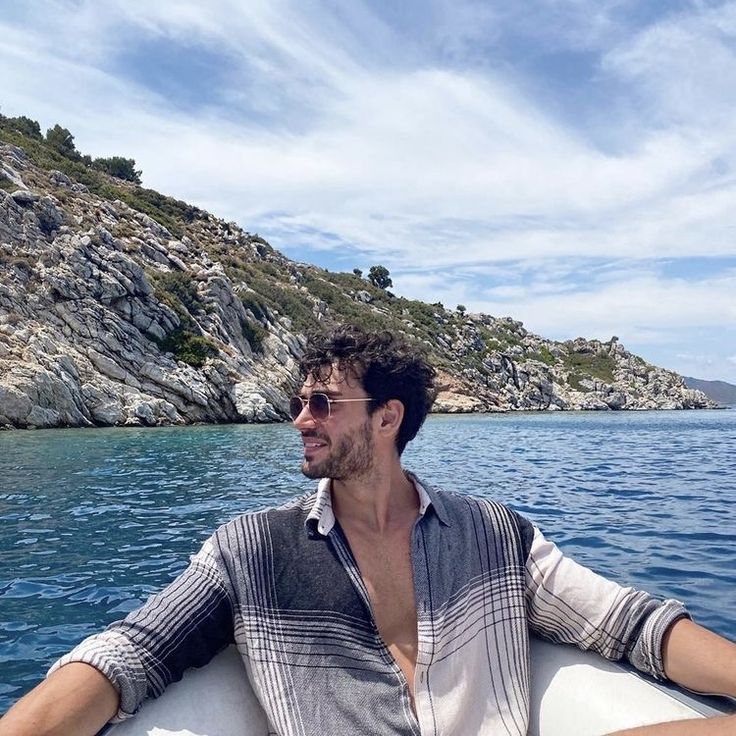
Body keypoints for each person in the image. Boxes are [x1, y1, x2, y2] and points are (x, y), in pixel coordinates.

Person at [1, 324, 735, 736]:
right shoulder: (252, 550)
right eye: (300, 400)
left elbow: (633, 627)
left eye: (323, 403)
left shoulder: (493, 536)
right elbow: (130, 653)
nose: (299, 420)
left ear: (387, 418)